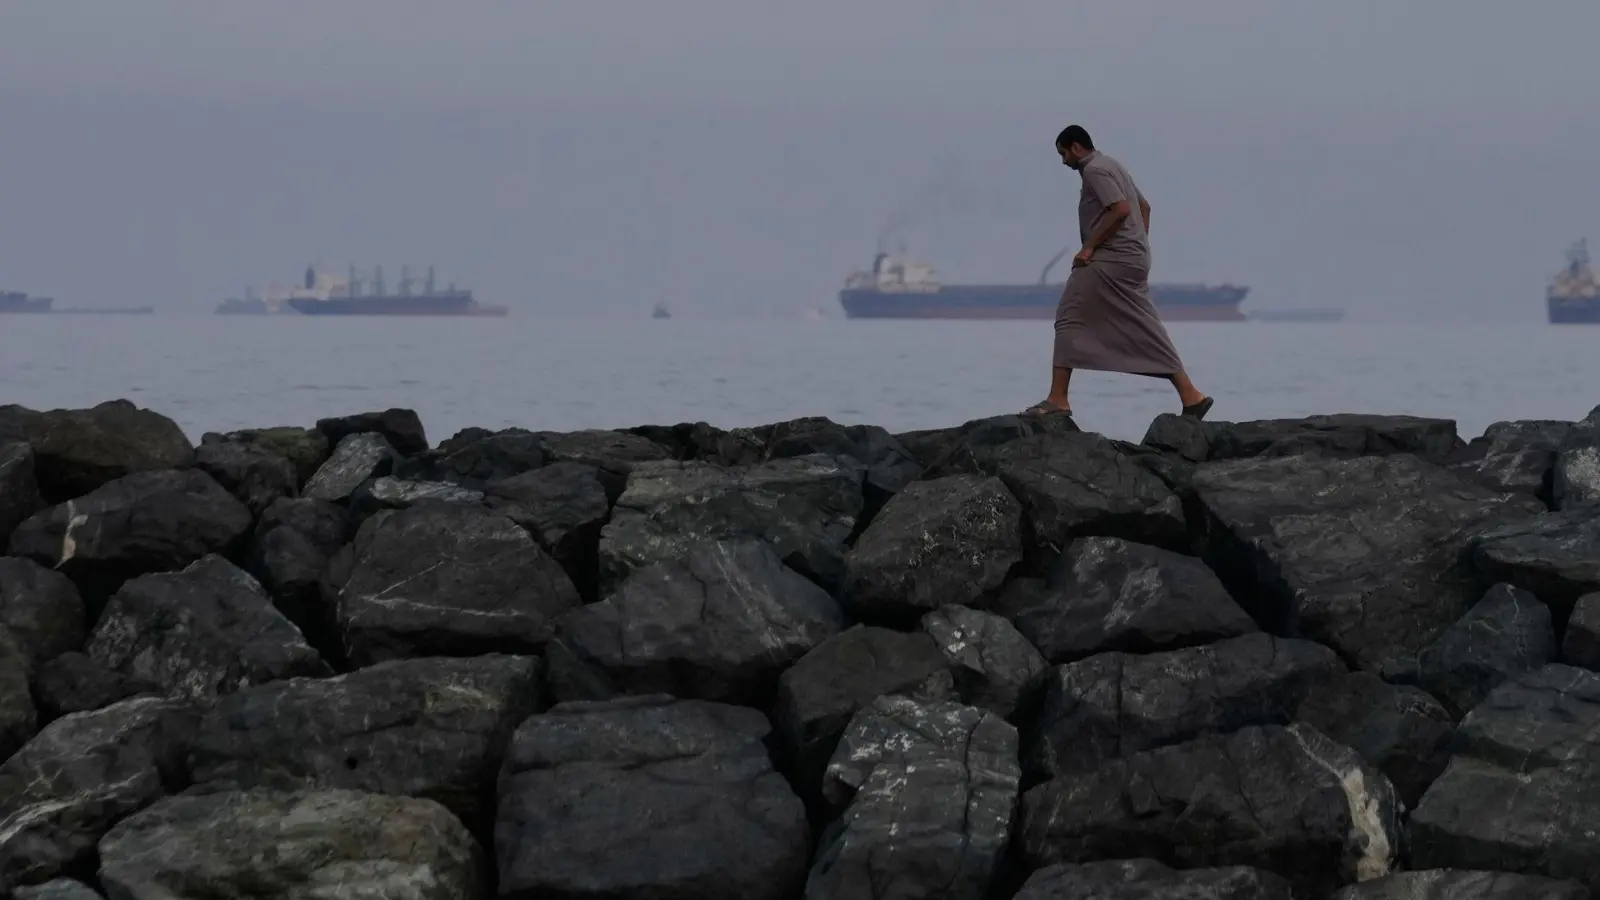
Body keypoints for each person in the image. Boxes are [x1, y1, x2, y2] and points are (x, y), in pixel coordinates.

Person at [1025, 124, 1213, 420]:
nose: (1063, 161)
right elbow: (1144, 207)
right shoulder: (1112, 164)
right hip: (1133, 259)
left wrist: (1089, 248)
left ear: (1076, 147)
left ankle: (1058, 398)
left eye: (1063, 154)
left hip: (1109, 259)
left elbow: (1121, 208)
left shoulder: (1094, 170)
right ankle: (1191, 396)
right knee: (1145, 324)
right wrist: (1137, 245)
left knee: (1069, 315)